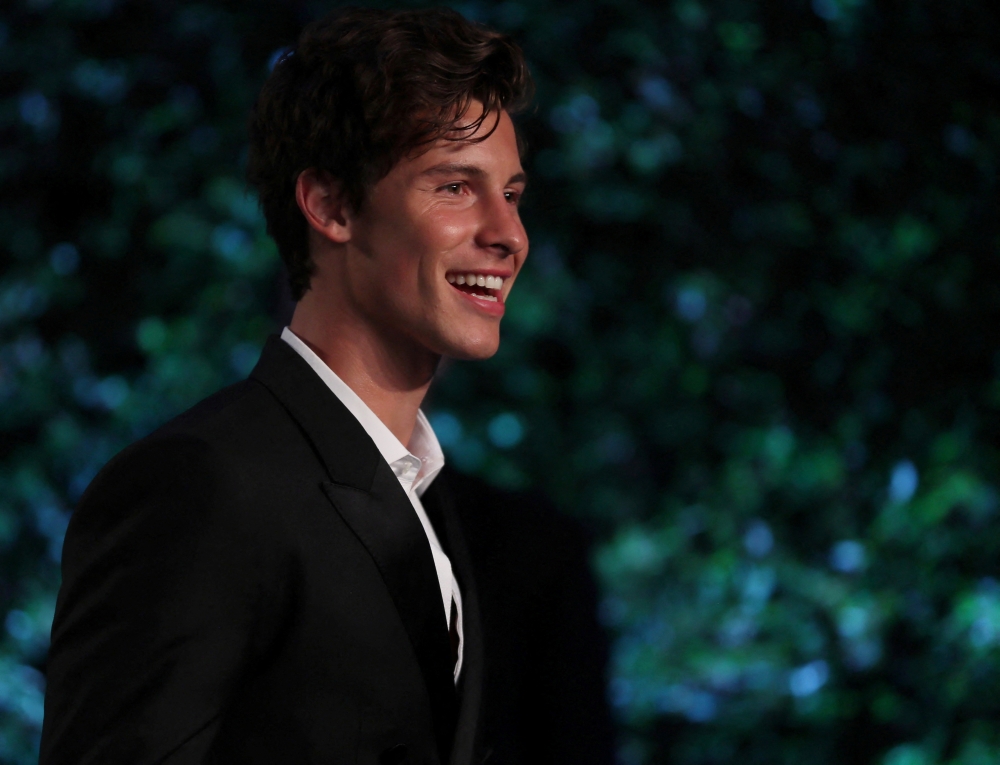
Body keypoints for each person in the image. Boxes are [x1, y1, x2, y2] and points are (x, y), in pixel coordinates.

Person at [40, 7, 614, 764]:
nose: (508, 233)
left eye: (511, 192)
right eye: (453, 186)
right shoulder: (198, 486)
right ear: (332, 205)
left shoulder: (429, 502)